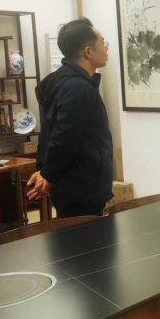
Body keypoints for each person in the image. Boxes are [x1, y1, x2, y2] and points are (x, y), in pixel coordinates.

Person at [27, 18, 113, 218]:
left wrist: (46, 172)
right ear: (88, 52)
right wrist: (48, 174)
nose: (106, 48)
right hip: (82, 186)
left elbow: (49, 133)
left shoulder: (62, 81)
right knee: (85, 236)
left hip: (72, 185)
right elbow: (64, 137)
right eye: (102, 42)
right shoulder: (78, 87)